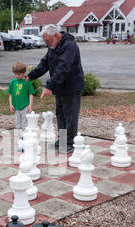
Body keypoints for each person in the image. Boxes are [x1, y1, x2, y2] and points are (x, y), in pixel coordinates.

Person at [27, 24, 85, 153]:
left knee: (70, 115)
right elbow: (45, 63)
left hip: (71, 85)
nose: (47, 44)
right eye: (45, 41)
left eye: (47, 41)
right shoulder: (53, 46)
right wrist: (31, 76)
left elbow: (63, 68)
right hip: (60, 86)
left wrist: (49, 86)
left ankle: (70, 142)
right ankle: (63, 140)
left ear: (57, 36)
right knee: (61, 114)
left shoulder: (70, 46)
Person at [8, 61, 35, 138]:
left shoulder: (27, 82)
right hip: (16, 107)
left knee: (25, 123)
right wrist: (10, 105)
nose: (17, 76)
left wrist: (30, 105)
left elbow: (31, 94)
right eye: (15, 74)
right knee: (18, 123)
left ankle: (25, 137)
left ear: (23, 73)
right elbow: (10, 94)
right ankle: (21, 136)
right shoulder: (13, 82)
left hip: (25, 106)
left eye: (19, 74)